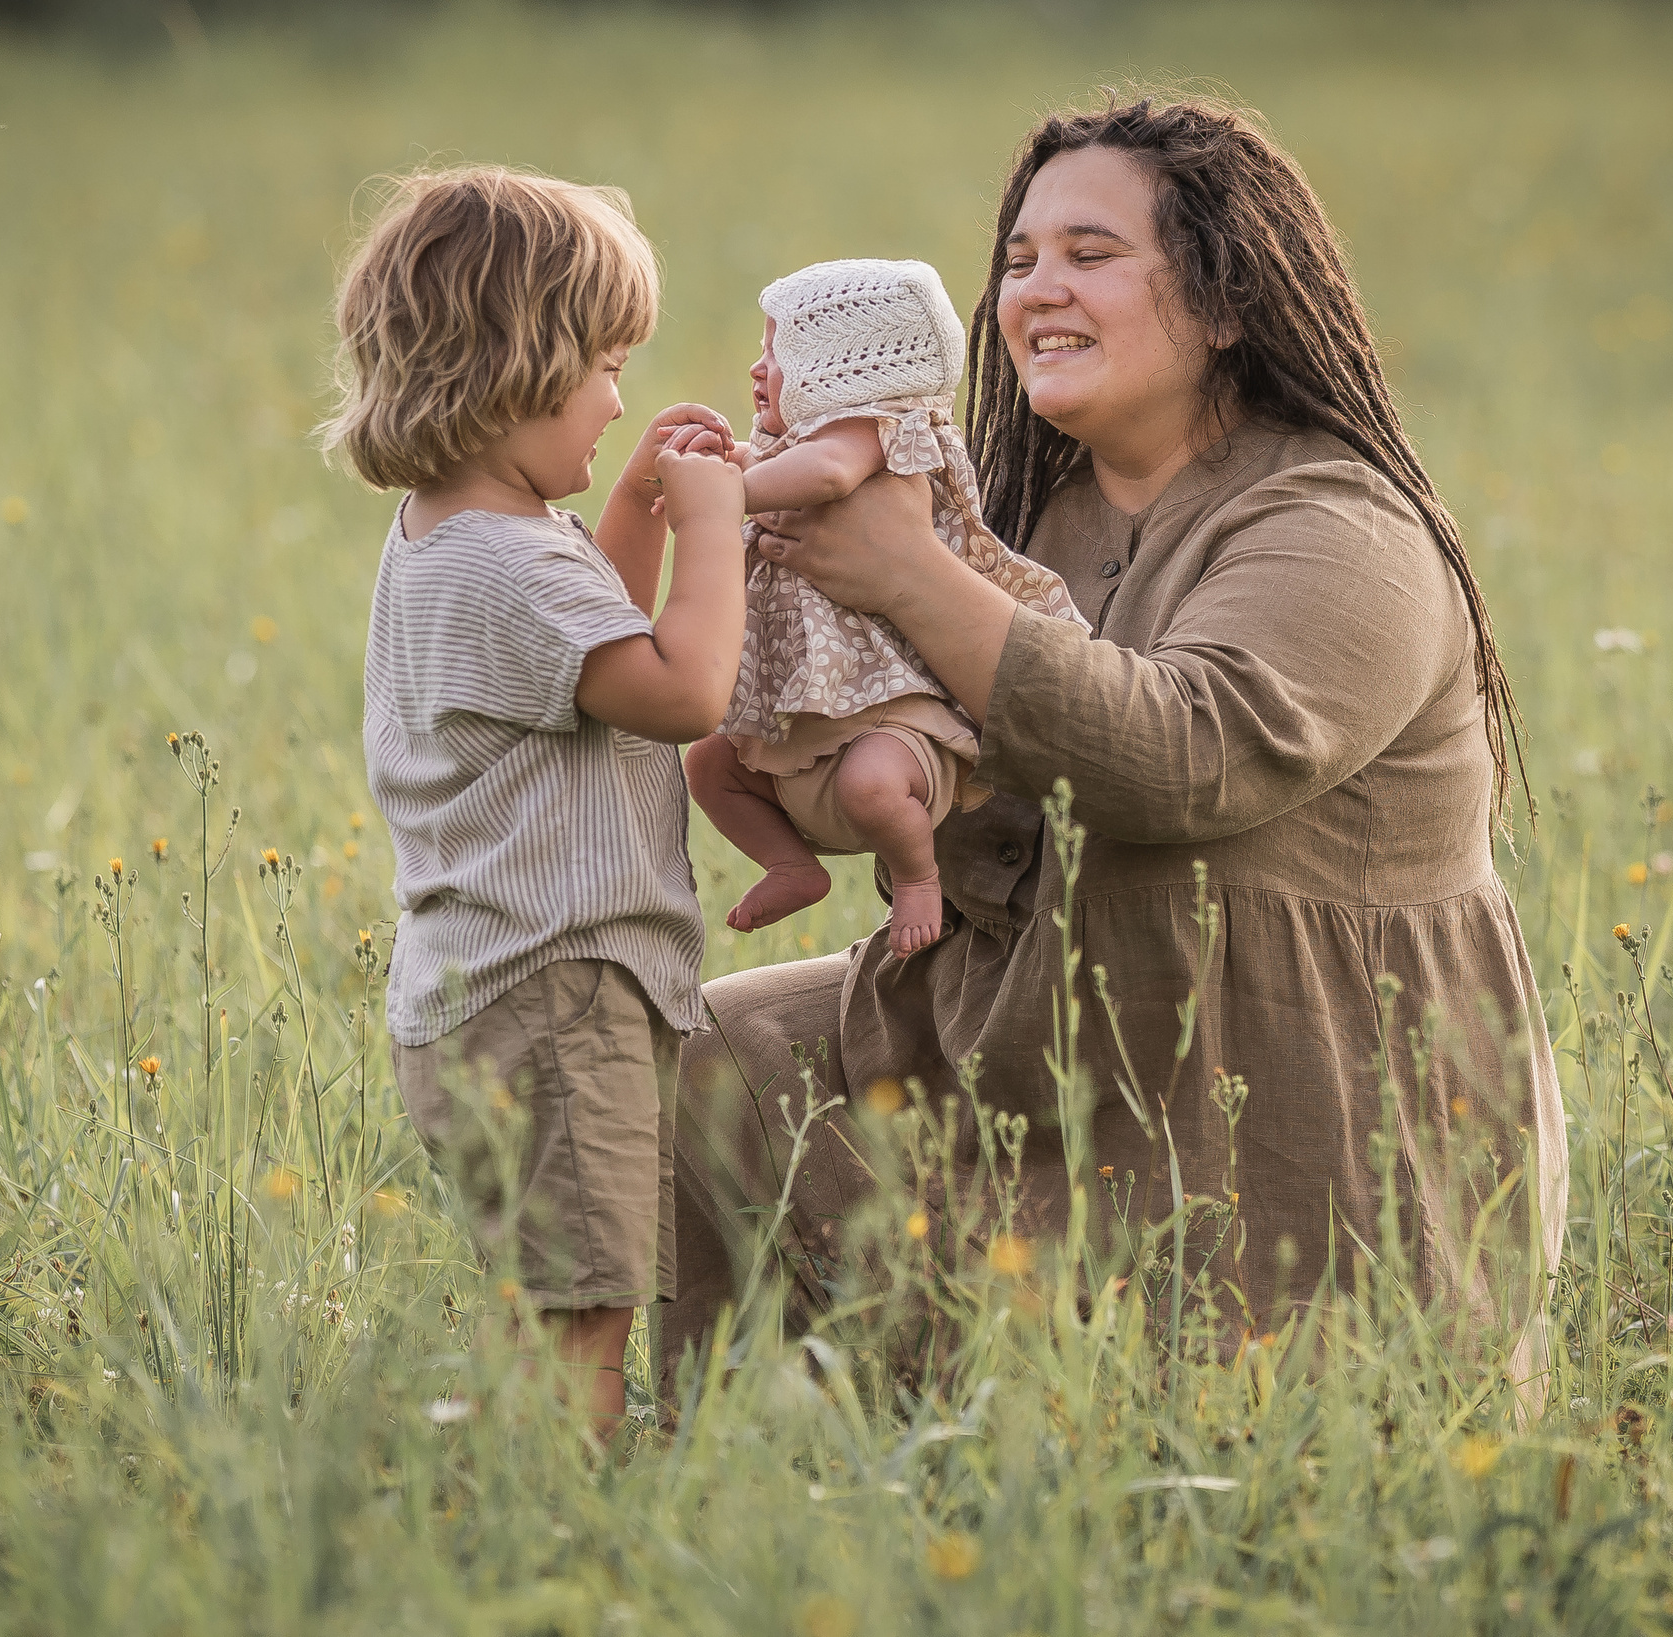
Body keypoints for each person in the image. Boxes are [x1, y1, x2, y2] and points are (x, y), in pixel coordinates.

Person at [657, 99, 1570, 1405]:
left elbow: (1178, 761)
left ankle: (1015, 1418)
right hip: (1036, 1062)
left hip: (1280, 1127)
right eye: (1020, 261)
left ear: (1224, 299)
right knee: (704, 1052)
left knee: (1202, 1446)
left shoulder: (1342, 532)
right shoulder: (1023, 519)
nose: (1037, 291)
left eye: (1090, 253)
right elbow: (898, 787)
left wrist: (912, 580)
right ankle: (755, 1453)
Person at [321, 165, 744, 1443]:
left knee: (560, 1288)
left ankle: (532, 1467)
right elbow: (676, 689)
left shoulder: (453, 532)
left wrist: (626, 510)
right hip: (557, 995)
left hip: (489, 992)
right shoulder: (507, 563)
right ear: (514, 364)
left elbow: (585, 666)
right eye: (604, 366)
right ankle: (562, 1493)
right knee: (585, 1305)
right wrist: (713, 530)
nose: (619, 398)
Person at [684, 259, 1088, 957]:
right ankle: (791, 865)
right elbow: (783, 464)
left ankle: (916, 877)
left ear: (846, 368)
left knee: (874, 783)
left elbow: (828, 473)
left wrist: (723, 493)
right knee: (708, 764)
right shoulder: (801, 441)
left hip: (894, 715)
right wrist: (721, 462)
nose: (758, 369)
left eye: (780, 353)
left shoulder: (883, 428)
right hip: (808, 724)